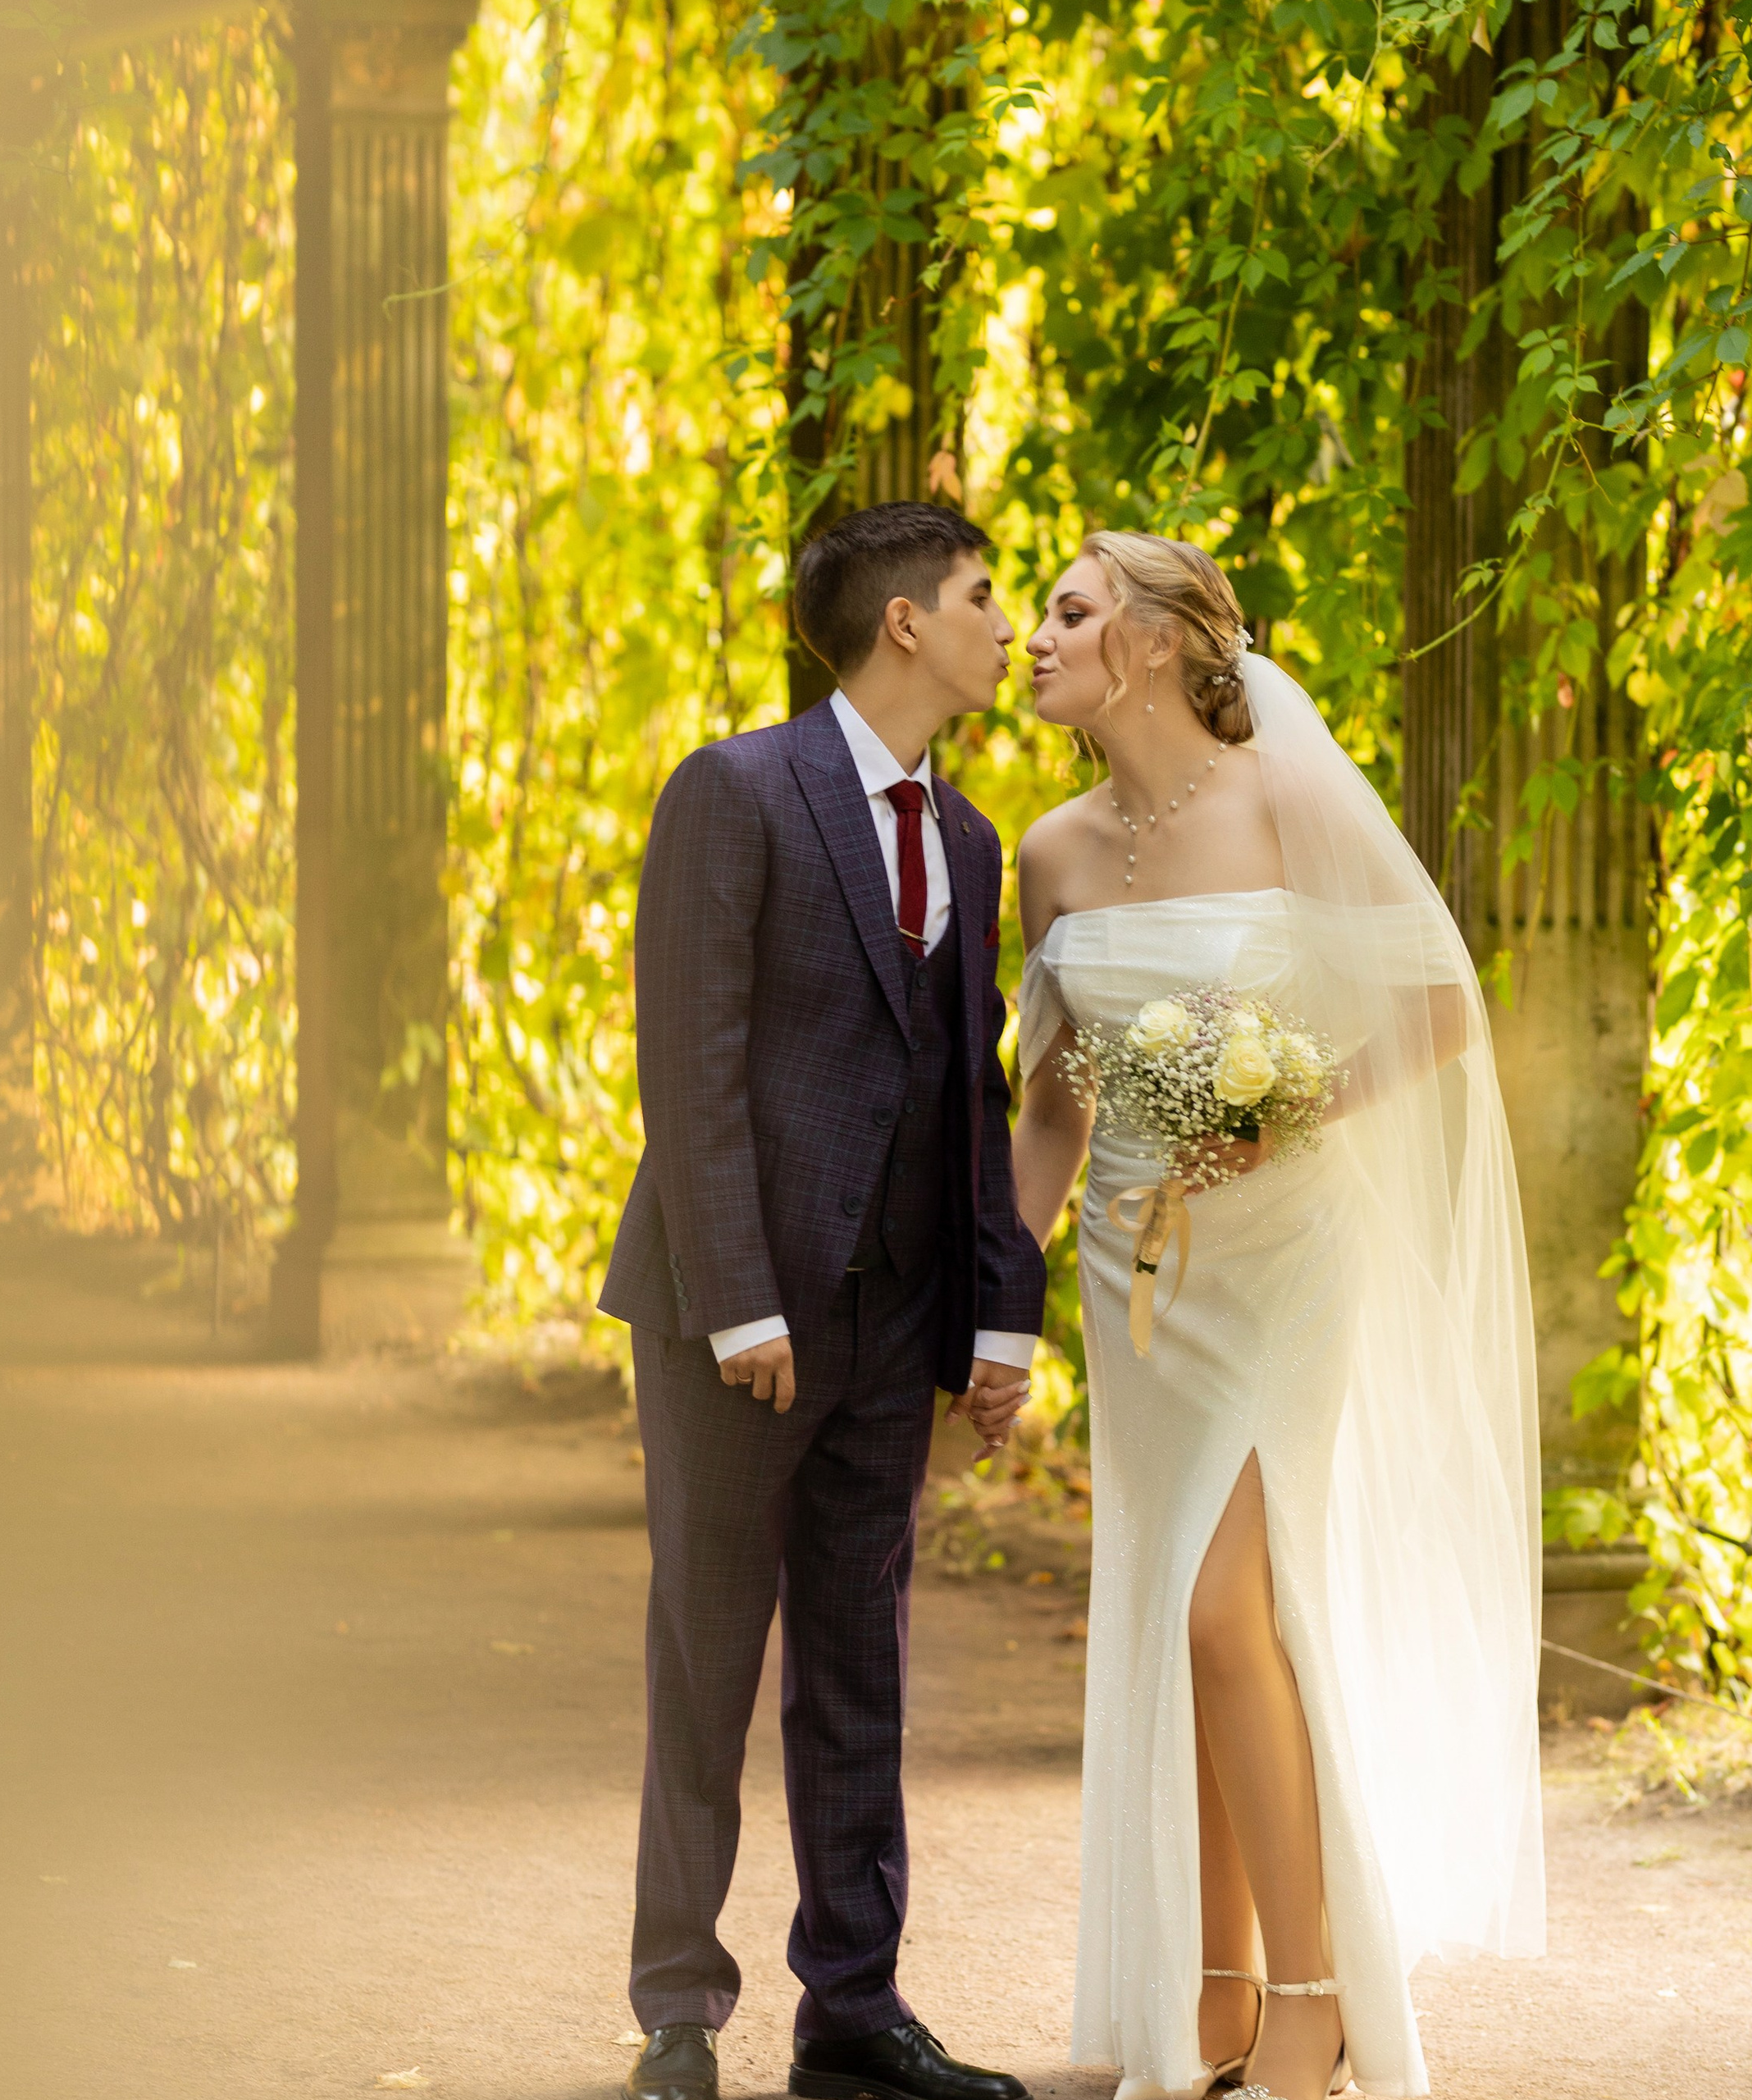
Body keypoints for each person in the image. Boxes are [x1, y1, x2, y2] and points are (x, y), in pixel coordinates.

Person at [1004, 533, 1544, 2100]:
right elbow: (1053, 1105)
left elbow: (1443, 1006)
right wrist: (997, 1304)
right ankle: (1222, 1984)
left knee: (1230, 1607)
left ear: (1162, 644)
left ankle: (1320, 1994)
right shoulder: (1046, 850)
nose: (1039, 639)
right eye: (1036, 611)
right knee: (1182, 1610)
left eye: (1071, 611)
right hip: (1136, 1277)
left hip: (1289, 1248)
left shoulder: (1287, 800)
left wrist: (1290, 1109)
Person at [600, 501, 1050, 2100]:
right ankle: (675, 2009)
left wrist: (1000, 1314)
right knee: (706, 1659)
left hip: (891, 1328)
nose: (1010, 625)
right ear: (906, 623)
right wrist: (738, 1301)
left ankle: (850, 2006)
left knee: (859, 1673)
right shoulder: (735, 791)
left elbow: (971, 1100)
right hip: (736, 1327)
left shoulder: (974, 835)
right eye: (989, 595)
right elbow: (691, 1061)